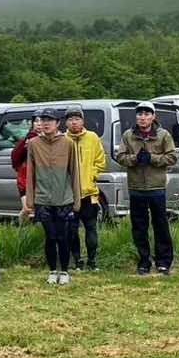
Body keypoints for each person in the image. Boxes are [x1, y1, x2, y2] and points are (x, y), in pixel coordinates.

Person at [114, 101, 178, 275]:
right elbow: (120, 157)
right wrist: (135, 159)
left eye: (146, 114)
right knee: (139, 227)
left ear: (153, 116)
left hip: (157, 187)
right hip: (136, 187)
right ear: (136, 117)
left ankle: (163, 262)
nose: (142, 117)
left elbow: (172, 157)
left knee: (161, 225)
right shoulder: (128, 135)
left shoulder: (163, 135)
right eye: (140, 114)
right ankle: (143, 261)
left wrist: (152, 158)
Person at [23, 108, 82, 284]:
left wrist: (77, 200)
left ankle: (64, 271)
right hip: (43, 199)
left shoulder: (68, 143)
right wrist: (30, 200)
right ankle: (52, 270)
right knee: (50, 237)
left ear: (57, 123)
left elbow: (75, 172)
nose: (46, 123)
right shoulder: (34, 144)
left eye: (50, 120)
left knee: (63, 237)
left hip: (64, 198)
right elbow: (30, 174)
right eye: (43, 120)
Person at [64, 105, 106, 270]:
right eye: (70, 119)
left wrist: (92, 175)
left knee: (91, 227)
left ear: (82, 121)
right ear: (66, 122)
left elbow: (100, 160)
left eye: (77, 119)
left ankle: (92, 261)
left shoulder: (92, 137)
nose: (74, 122)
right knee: (71, 229)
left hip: (90, 192)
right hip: (69, 194)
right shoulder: (62, 139)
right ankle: (77, 261)